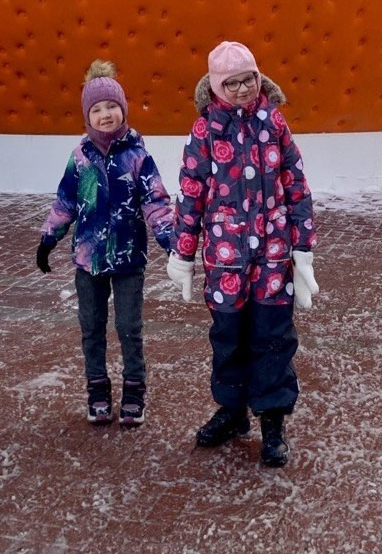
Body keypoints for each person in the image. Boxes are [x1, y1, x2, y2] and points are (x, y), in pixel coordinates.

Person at [166, 40, 317, 468]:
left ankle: (272, 422)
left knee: (273, 340)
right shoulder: (205, 131)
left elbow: (297, 185)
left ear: (258, 77)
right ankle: (232, 412)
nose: (241, 89)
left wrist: (302, 247)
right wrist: (183, 253)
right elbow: (191, 194)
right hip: (225, 258)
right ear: (215, 87)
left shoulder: (274, 122)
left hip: (272, 256)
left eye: (247, 79)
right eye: (230, 83)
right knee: (228, 340)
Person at [36, 59, 173, 426]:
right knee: (91, 326)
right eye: (97, 109)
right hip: (88, 260)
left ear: (123, 109)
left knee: (129, 327)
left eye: (112, 106)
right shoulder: (79, 158)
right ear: (87, 116)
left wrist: (170, 239)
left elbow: (155, 201)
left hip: (129, 259)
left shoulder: (137, 155)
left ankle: (134, 390)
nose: (106, 114)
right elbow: (66, 201)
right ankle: (97, 390)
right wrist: (49, 237)